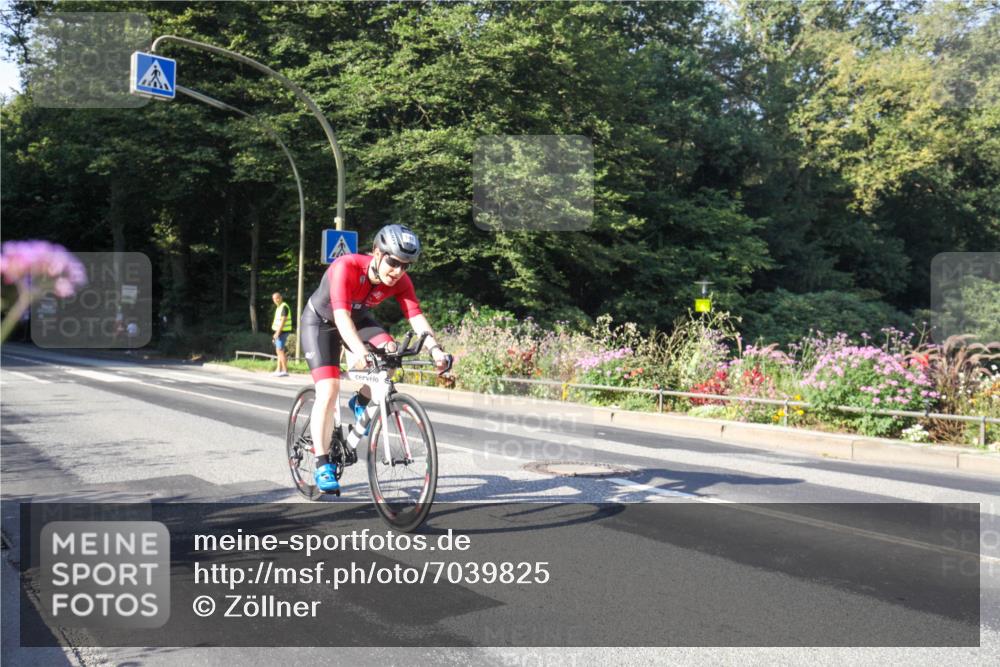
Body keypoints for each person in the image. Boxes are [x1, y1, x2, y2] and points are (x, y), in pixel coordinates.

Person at [299, 224, 451, 493]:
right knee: (329, 387)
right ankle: (322, 463)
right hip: (321, 323)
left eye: (406, 266)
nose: (398, 271)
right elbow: (341, 318)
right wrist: (359, 352)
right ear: (377, 253)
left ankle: (362, 400)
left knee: (391, 354)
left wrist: (436, 350)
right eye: (393, 262)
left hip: (358, 320)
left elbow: (415, 315)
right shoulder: (347, 267)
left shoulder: (400, 280)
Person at [271, 292, 293, 377]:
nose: (275, 300)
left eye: (277, 298)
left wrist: (277, 332)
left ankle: (285, 370)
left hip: (282, 332)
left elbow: (283, 321)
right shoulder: (279, 307)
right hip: (279, 331)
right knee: (278, 350)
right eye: (274, 299)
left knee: (280, 350)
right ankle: (278, 370)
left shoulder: (284, 306)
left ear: (281, 297)